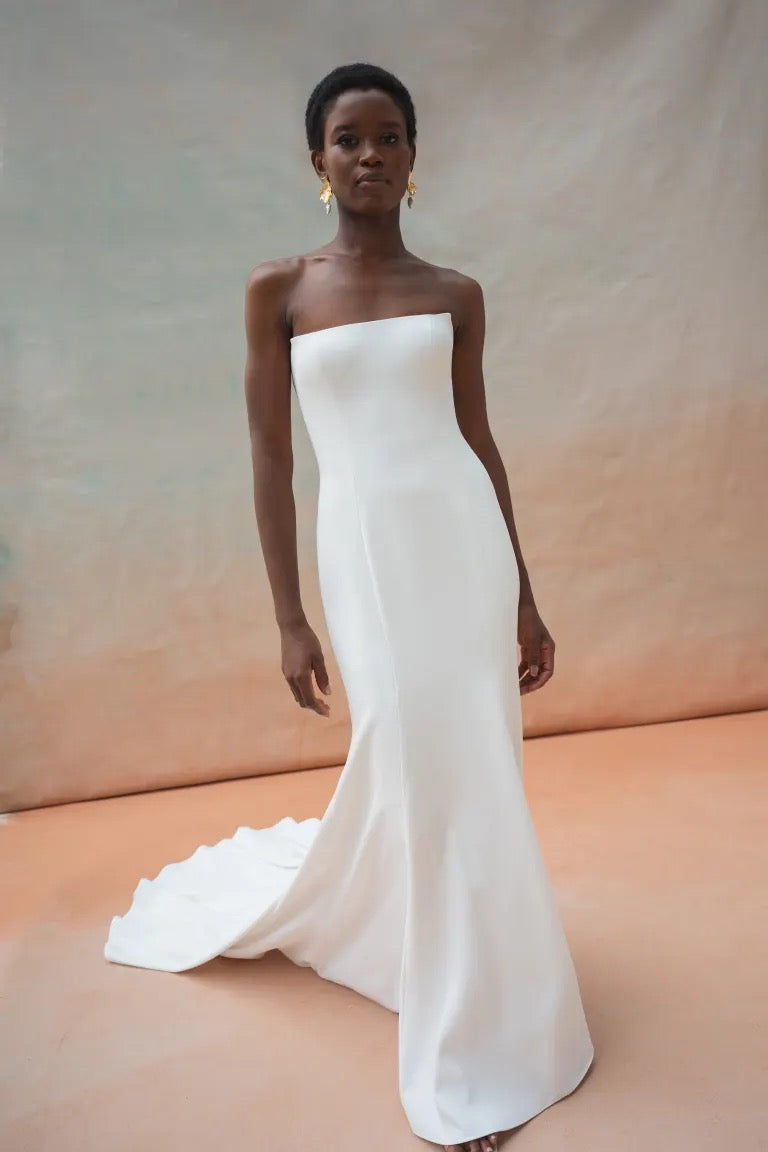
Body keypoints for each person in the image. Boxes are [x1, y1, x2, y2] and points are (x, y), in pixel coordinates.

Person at [105, 62, 594, 1152]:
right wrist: (288, 615)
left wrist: (527, 598)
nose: (369, 155)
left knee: (473, 765)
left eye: (389, 137)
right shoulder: (277, 291)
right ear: (317, 163)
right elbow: (272, 457)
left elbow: (479, 444)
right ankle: (442, 987)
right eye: (346, 139)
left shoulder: (457, 293)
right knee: (408, 753)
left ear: (415, 159)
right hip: (365, 559)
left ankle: (476, 1027)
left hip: (461, 552)